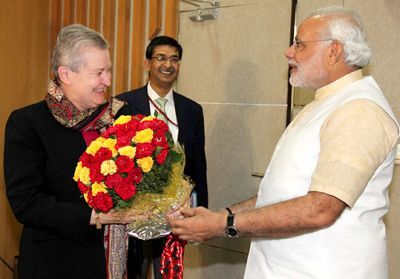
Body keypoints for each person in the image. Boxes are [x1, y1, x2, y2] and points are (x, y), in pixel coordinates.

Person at [168, 6, 399, 278]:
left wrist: (223, 224)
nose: (288, 52)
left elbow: (321, 208)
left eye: (299, 44)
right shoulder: (326, 103)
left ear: (334, 51)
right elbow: (281, 192)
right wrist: (223, 214)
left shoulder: (359, 110)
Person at [4, 24, 139, 279]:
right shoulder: (29, 123)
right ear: (66, 74)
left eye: (108, 70)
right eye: (99, 73)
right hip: (56, 264)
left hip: (114, 264)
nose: (108, 82)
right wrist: (96, 216)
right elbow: (27, 203)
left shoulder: (121, 116)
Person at [118, 36, 208, 278]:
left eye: (174, 59)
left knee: (168, 273)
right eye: (160, 58)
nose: (168, 64)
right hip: (134, 212)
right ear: (148, 63)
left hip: (175, 212)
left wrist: (200, 209)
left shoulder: (192, 110)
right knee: (132, 272)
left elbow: (198, 164)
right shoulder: (124, 104)